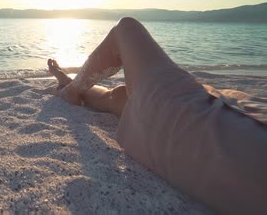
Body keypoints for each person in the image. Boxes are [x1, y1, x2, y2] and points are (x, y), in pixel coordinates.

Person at [48, 17, 267, 214]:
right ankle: (71, 85)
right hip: (236, 115)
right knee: (123, 98)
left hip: (205, 123)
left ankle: (71, 90)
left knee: (126, 29)